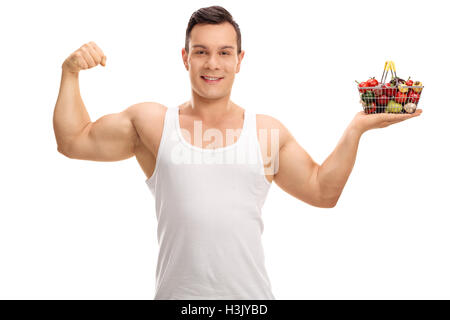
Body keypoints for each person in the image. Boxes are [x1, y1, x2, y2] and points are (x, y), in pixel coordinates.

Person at [53, 6, 422, 300]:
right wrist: (70, 72)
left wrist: (356, 128)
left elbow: (323, 192)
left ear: (239, 60)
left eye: (224, 52)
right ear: (185, 58)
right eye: (201, 52)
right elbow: (73, 141)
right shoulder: (152, 123)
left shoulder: (266, 133)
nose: (212, 63)